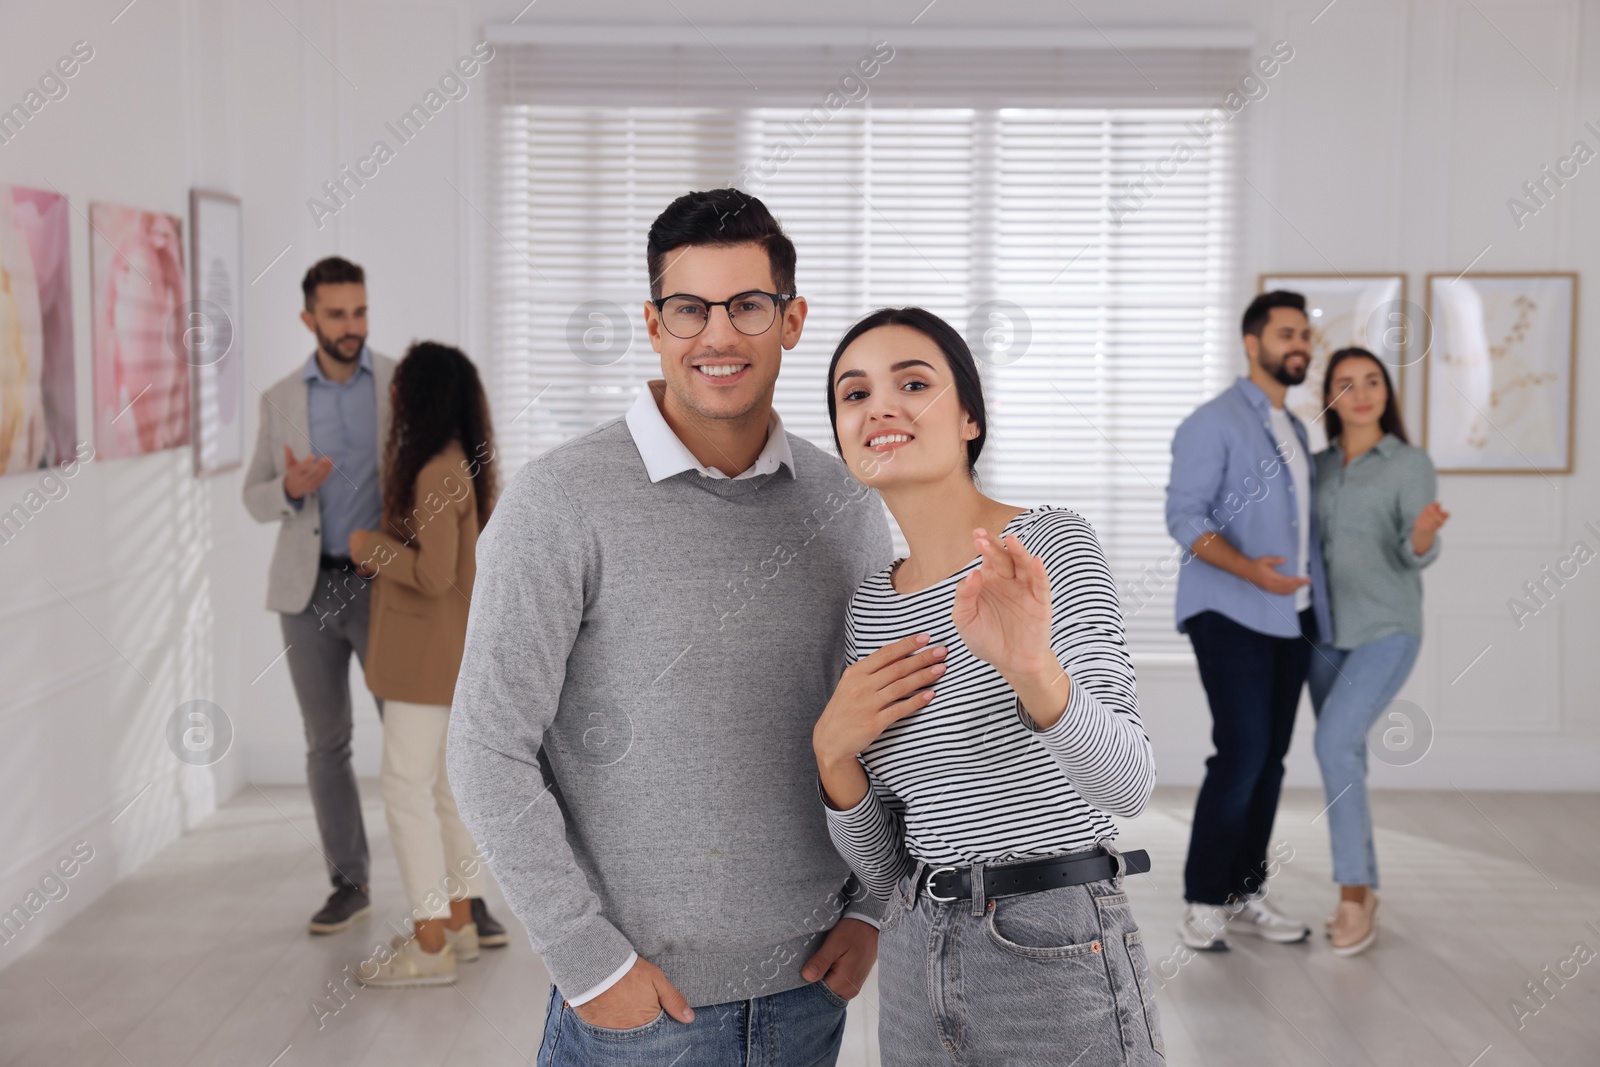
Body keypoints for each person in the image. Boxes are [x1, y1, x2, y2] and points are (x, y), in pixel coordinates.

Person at [448, 189, 892, 1066]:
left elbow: (882, 731)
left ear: (792, 320)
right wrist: (589, 962)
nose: (718, 336)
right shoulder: (559, 501)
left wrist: (872, 906)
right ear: (654, 324)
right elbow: (487, 748)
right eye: (690, 309)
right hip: (642, 1010)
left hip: (810, 991)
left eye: (748, 306)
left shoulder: (846, 506)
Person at [814, 307, 1164, 1066]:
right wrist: (834, 760)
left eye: (914, 382)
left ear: (969, 416)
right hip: (913, 955)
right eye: (854, 393)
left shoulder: (1047, 544)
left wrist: (1036, 670)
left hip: (1051, 949)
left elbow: (1129, 783)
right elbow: (884, 870)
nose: (880, 405)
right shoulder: (870, 608)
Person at [1165, 289, 1332, 951]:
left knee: (1269, 762)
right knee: (1241, 753)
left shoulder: (1295, 427)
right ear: (1252, 342)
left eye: (1305, 336)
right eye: (1286, 333)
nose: (1300, 345)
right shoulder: (1213, 422)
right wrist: (1252, 572)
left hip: (1292, 619)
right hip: (1230, 611)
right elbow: (1184, 517)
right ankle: (1204, 899)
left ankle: (1244, 889)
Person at [346, 341, 509, 986]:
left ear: (419, 397)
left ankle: (430, 946)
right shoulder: (454, 466)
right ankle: (461, 926)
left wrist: (371, 546)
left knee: (404, 791)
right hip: (449, 659)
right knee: (444, 793)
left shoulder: (436, 472)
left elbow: (433, 574)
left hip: (425, 664)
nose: (391, 395)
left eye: (401, 386)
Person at [242, 257, 391, 934]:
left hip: (388, 588)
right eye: (336, 314)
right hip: (307, 590)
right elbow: (254, 495)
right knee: (326, 741)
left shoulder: (396, 384)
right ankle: (348, 880)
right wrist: (291, 488)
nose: (351, 326)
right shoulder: (279, 400)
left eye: (359, 311)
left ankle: (459, 893)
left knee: (418, 739)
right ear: (309, 320)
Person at [1309, 346, 1446, 957]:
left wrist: (1421, 534)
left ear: (1386, 392)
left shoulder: (1409, 463)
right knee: (1346, 758)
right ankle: (1367, 888)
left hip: (1388, 628)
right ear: (1331, 396)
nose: (1362, 393)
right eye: (1346, 383)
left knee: (1333, 744)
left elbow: (1415, 548)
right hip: (1325, 633)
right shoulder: (1316, 467)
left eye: (1372, 381)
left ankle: (1353, 892)